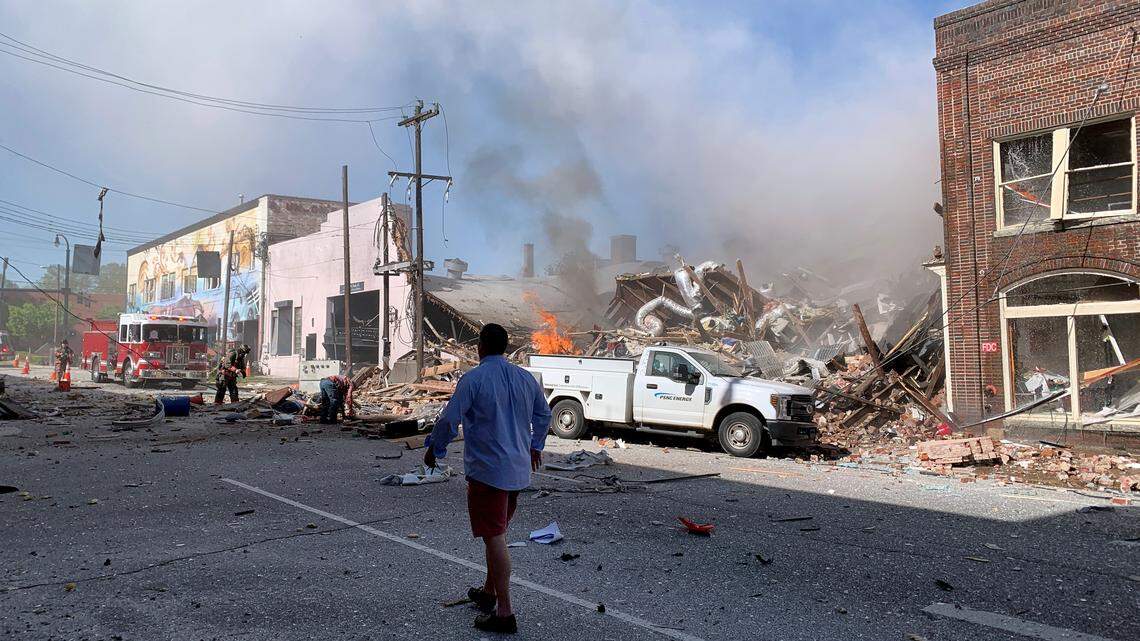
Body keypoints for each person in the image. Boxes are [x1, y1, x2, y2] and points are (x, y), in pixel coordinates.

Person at [425, 323, 551, 634]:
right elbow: (544, 415)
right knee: (497, 531)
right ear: (505, 347)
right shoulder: (525, 378)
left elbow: (449, 420)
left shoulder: (473, 379)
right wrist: (535, 446)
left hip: (488, 473)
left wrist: (435, 449)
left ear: (481, 346)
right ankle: (489, 591)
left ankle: (504, 613)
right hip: (518, 471)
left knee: (494, 536)